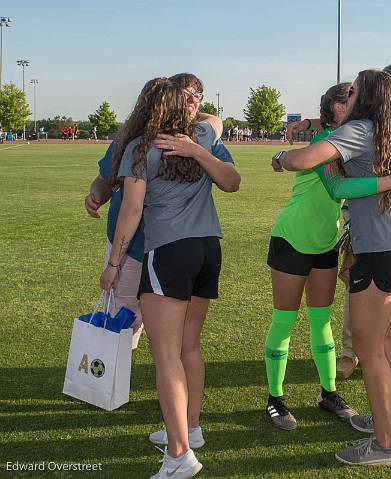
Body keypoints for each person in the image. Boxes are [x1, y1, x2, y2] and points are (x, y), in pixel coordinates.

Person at [275, 69, 391, 466]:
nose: (350, 92)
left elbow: (301, 160)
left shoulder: (361, 129)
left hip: (380, 250)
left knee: (370, 347)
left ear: (365, 96)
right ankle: (390, 424)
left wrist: (282, 156)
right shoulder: (388, 128)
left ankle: (383, 446)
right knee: (386, 343)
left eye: (355, 89)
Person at [99, 78, 240, 478]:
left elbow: (131, 211)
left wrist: (113, 264)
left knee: (166, 356)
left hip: (169, 253)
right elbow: (230, 180)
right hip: (208, 249)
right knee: (188, 347)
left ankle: (179, 456)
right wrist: (199, 147)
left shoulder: (139, 147)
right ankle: (189, 429)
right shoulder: (203, 134)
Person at [264, 82, 391, 431]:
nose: (354, 99)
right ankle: (275, 398)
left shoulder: (349, 137)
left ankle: (329, 393)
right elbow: (339, 188)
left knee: (322, 321)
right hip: (292, 238)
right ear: (335, 107)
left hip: (325, 241)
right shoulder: (326, 144)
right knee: (285, 321)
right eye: (347, 96)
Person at [286, 63, 391, 377]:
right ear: (387, 90)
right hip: (390, 233)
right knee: (378, 332)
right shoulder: (382, 124)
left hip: (387, 231)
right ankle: (386, 411)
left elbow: (331, 179)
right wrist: (315, 123)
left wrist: (280, 157)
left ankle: (386, 422)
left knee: (378, 340)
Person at [85, 73, 231, 350]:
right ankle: (114, 384)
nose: (190, 100)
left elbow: (230, 179)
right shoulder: (133, 137)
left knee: (170, 336)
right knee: (122, 320)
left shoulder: (204, 136)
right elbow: (106, 179)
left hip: (170, 245)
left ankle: (163, 383)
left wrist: (198, 146)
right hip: (131, 246)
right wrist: (97, 195)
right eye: (183, 94)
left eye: (196, 96)